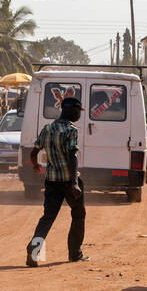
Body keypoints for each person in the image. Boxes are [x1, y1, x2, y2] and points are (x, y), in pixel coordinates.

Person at [25, 96, 89, 267]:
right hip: (68, 181)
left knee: (48, 217)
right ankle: (75, 254)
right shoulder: (71, 130)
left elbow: (34, 150)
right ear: (72, 110)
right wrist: (75, 182)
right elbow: (72, 156)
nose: (78, 115)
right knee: (78, 215)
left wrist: (36, 164)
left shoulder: (47, 128)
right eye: (78, 112)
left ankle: (35, 248)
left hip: (52, 181)